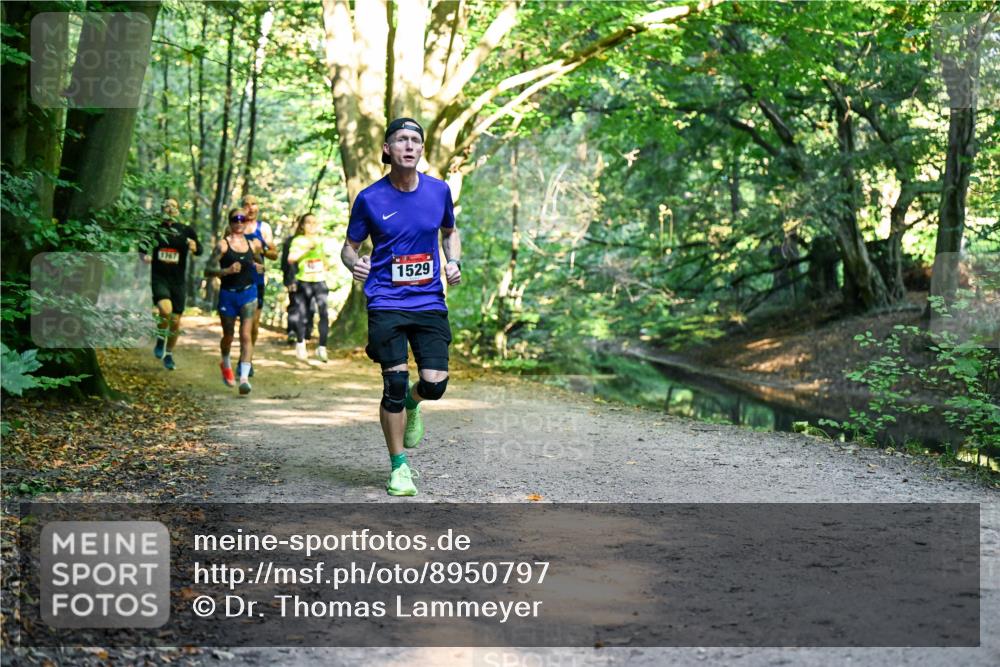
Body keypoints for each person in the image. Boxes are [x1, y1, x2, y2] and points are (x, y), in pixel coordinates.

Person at [341, 117, 462, 497]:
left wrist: (453, 261)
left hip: (428, 300)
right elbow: (350, 246)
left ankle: (415, 402)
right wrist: (353, 262)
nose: (409, 146)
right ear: (388, 150)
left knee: (435, 385)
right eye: (401, 140)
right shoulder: (370, 198)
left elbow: (449, 232)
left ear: (421, 150)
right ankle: (399, 467)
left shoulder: (439, 191)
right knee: (393, 383)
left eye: (415, 140)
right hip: (386, 300)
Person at [204, 208, 264, 395]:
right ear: (230, 222)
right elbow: (208, 270)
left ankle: (244, 379)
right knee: (228, 336)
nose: (239, 222)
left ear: (246, 222)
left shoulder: (253, 244)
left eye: (242, 219)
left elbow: (259, 263)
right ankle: (226, 363)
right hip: (228, 294)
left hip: (248, 293)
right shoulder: (222, 245)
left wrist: (258, 267)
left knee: (246, 334)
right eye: (235, 219)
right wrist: (226, 271)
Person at [142, 198, 202, 371]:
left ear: (178, 210)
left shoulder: (185, 230)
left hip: (178, 281)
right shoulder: (155, 229)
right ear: (162, 210)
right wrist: (145, 256)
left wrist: (194, 246)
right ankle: (161, 338)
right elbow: (142, 247)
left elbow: (200, 250)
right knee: (165, 311)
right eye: (166, 206)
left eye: (173, 206)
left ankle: (168, 354)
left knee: (175, 320)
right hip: (159, 277)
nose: (170, 209)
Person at [287, 213, 333, 362]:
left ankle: (322, 347)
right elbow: (291, 258)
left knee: (324, 313)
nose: (312, 225)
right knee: (303, 314)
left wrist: (326, 265)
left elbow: (322, 258)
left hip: (319, 280)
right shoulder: (298, 240)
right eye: (308, 223)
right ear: (302, 225)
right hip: (304, 281)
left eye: (314, 222)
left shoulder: (319, 240)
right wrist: (306, 249)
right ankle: (300, 344)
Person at [241, 194, 278, 376]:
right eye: (246, 204)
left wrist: (260, 249)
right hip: (237, 279)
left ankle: (248, 359)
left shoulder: (264, 228)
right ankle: (243, 359)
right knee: (239, 326)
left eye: (253, 204)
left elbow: (274, 254)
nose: (250, 208)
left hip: (256, 279)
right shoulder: (234, 226)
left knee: (253, 325)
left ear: (258, 207)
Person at [280, 217, 315, 345]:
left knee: (310, 306)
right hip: (294, 278)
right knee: (295, 304)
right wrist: (288, 281)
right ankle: (292, 332)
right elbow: (285, 263)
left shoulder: (314, 242)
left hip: (312, 278)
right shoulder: (290, 241)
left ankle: (306, 332)